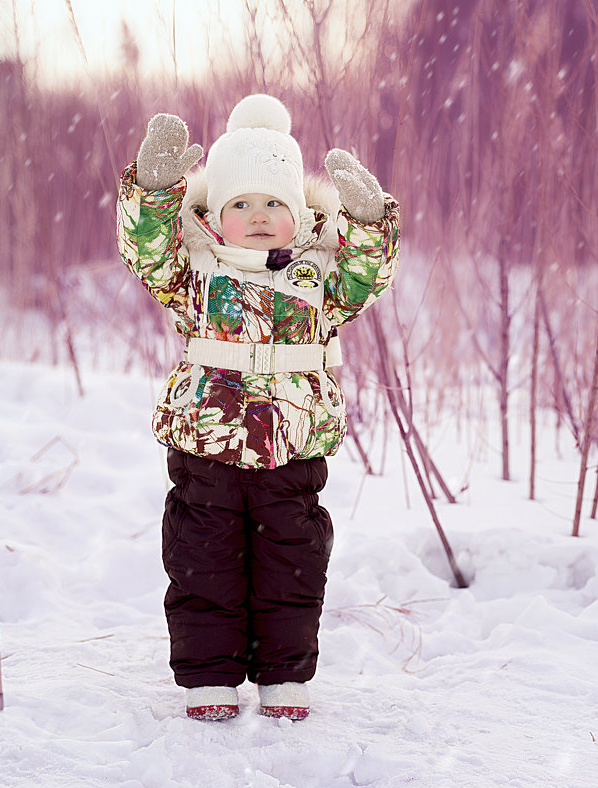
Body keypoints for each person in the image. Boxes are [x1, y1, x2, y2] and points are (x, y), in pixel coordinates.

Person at [116, 94, 399, 721]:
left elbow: (367, 277)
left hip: (291, 448)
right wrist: (156, 191)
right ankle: (208, 680)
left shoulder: (318, 277)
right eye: (241, 203)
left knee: (291, 564)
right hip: (206, 444)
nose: (260, 215)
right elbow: (146, 250)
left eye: (275, 203)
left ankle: (285, 679)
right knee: (202, 560)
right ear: (216, 216)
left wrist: (370, 222)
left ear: (299, 214)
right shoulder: (194, 270)